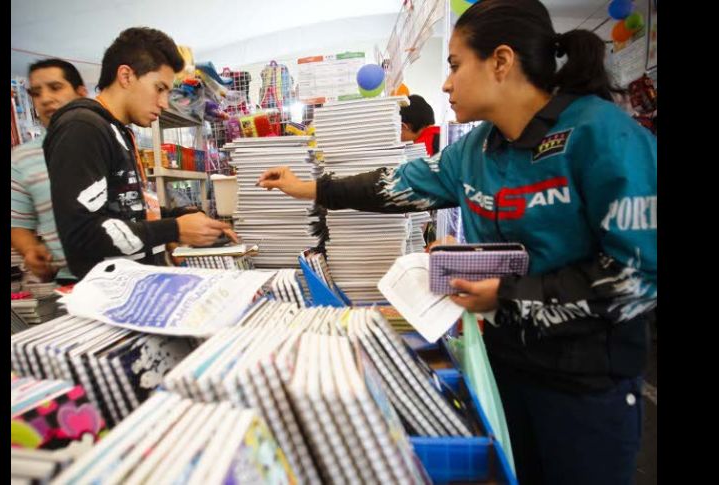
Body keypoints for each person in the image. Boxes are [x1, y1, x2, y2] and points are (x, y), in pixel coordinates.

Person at [257, 1, 656, 483]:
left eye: (453, 64)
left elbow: (638, 275)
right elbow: (392, 185)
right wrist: (307, 188)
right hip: (504, 370)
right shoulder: (475, 149)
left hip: (588, 386)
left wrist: (507, 295)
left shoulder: (603, 135)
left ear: (501, 62)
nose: (445, 83)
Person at [44, 27, 237, 279]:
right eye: (159, 88)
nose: (164, 103)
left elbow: (124, 212)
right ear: (126, 76)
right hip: (107, 298)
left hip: (134, 291)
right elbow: (81, 235)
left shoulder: (118, 131)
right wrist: (173, 229)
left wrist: (180, 216)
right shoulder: (82, 127)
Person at [11, 59, 88, 283]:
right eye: (36, 92)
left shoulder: (104, 140)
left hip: (125, 273)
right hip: (69, 283)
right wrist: (31, 250)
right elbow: (17, 223)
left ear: (81, 94)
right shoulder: (21, 158)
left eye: (56, 87)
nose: (45, 99)